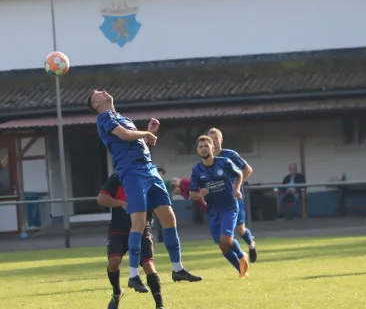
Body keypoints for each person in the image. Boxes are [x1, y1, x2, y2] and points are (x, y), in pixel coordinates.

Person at [90, 89, 201, 285]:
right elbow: (124, 135)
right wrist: (147, 132)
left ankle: (178, 269)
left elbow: (133, 140)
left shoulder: (122, 117)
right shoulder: (103, 117)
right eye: (97, 93)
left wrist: (148, 134)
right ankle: (133, 274)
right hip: (132, 172)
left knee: (168, 217)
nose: (103, 91)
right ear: (96, 105)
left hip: (149, 170)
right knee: (139, 223)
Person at [97, 173, 166, 309]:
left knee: (148, 264)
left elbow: (159, 200)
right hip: (118, 230)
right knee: (114, 261)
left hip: (142, 229)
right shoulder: (117, 177)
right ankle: (117, 292)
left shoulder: (149, 176)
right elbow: (101, 199)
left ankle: (160, 306)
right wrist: (120, 203)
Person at [190, 135, 249, 278]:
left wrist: (236, 189)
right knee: (222, 246)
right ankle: (241, 271)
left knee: (226, 240)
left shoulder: (224, 162)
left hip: (229, 207)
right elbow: (192, 194)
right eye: (201, 147)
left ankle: (241, 255)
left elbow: (240, 173)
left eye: (206, 146)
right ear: (198, 150)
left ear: (213, 147)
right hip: (213, 210)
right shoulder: (197, 170)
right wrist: (199, 194)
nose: (204, 149)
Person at [207, 128, 257, 263]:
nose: (213, 142)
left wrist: (236, 187)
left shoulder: (230, 155)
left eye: (216, 139)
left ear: (221, 140)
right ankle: (240, 259)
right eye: (210, 140)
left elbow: (248, 169)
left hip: (234, 198)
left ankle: (251, 244)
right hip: (218, 201)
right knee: (224, 234)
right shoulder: (207, 159)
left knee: (240, 230)